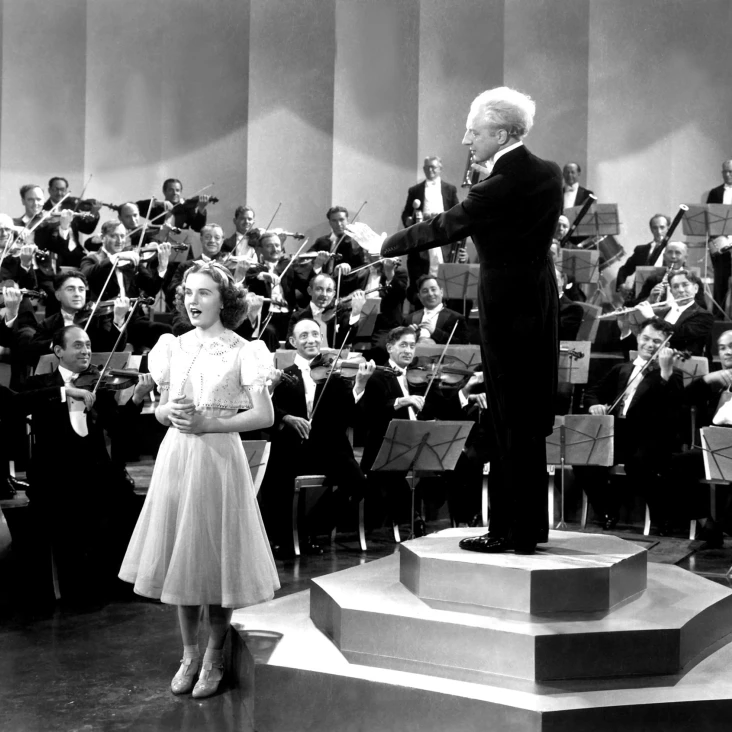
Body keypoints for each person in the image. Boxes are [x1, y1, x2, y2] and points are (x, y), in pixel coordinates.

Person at [358, 86, 562, 554]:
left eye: (474, 132)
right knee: (529, 419)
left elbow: (442, 226)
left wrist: (383, 245)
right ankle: (531, 527)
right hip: (539, 302)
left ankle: (509, 533)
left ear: (502, 134)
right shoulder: (548, 173)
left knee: (507, 420)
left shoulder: (497, 186)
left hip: (507, 309)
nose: (467, 140)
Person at [119, 260, 279, 699]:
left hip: (217, 457)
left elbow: (264, 415)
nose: (193, 300)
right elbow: (160, 410)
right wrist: (164, 411)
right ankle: (189, 654)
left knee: (217, 558)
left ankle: (214, 653)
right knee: (182, 555)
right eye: (188, 292)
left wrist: (211, 424)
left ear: (224, 301)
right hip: (177, 456)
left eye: (204, 292)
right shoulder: (171, 346)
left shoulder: (245, 350)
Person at [13, 325, 155, 602]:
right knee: (68, 516)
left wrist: (137, 397)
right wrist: (66, 392)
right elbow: (18, 403)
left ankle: (122, 583)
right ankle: (77, 588)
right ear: (58, 351)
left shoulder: (99, 385)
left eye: (88, 345)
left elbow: (119, 429)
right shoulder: (40, 384)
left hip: (95, 472)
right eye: (78, 345)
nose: (86, 351)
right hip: (56, 474)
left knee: (129, 504)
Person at [258, 317, 375, 555]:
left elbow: (351, 417)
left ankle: (309, 528)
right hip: (292, 448)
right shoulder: (283, 375)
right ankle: (283, 537)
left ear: (321, 338)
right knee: (275, 475)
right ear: (292, 342)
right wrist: (284, 415)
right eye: (304, 336)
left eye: (315, 334)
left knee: (358, 484)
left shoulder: (335, 375)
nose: (311, 340)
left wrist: (359, 385)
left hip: (328, 449)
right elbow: (267, 413)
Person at [576, 318, 683, 533]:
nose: (649, 345)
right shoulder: (622, 369)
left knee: (638, 464)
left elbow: (671, 411)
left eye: (656, 341)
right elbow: (592, 393)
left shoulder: (672, 374)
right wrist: (595, 405)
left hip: (650, 436)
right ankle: (607, 510)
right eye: (646, 338)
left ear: (666, 346)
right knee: (583, 459)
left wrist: (665, 373)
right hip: (619, 433)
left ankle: (663, 517)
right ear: (638, 337)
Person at [81, 220, 172, 351]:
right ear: (102, 237)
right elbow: (85, 274)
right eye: (114, 236)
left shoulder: (130, 259)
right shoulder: (92, 259)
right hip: (105, 320)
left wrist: (162, 267)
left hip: (132, 319)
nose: (120, 240)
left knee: (166, 332)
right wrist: (115, 258)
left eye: (122, 236)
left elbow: (151, 288)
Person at [619, 270, 713, 357]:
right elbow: (640, 344)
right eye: (675, 286)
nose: (681, 290)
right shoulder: (662, 312)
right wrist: (625, 325)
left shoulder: (704, 315)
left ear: (696, 288)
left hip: (682, 365)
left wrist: (652, 317)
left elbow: (677, 334)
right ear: (671, 292)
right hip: (653, 364)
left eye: (685, 285)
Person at [289, 273, 365, 350]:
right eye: (319, 289)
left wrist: (355, 313)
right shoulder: (298, 316)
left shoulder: (340, 314)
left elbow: (347, 341)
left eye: (329, 290)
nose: (324, 294)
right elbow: (290, 345)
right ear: (310, 291)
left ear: (333, 294)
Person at [309, 206, 370, 297]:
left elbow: (362, 266)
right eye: (334, 220)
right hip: (323, 285)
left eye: (341, 220)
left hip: (346, 287)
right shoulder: (322, 241)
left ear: (347, 220)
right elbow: (308, 257)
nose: (338, 224)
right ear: (330, 222)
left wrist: (355, 249)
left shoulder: (354, 240)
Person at [616, 214, 682, 295]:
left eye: (662, 227)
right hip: (642, 294)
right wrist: (621, 285)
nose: (659, 232)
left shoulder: (676, 251)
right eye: (655, 228)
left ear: (668, 228)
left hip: (667, 293)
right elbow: (625, 269)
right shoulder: (641, 250)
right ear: (651, 229)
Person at [402, 275, 470, 344]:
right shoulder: (409, 319)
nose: (430, 294)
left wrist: (435, 331)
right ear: (419, 296)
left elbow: (464, 345)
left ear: (441, 292)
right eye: (425, 291)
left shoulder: (456, 318)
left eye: (433, 289)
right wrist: (407, 335)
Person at [136, 178, 211, 233]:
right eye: (171, 190)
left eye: (177, 190)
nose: (175, 193)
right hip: (159, 244)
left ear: (180, 192)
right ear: (164, 191)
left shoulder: (187, 209)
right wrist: (156, 202)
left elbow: (198, 228)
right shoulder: (158, 208)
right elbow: (136, 207)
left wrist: (201, 209)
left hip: (180, 245)